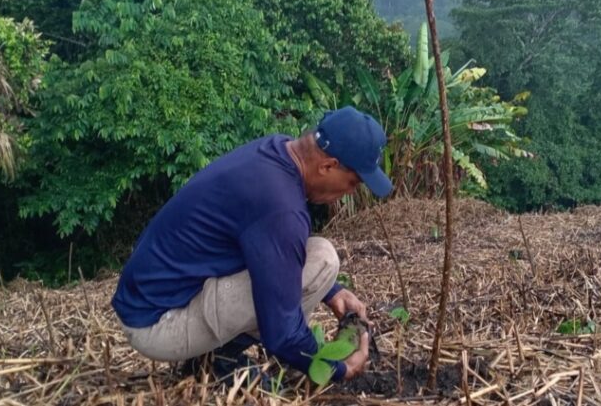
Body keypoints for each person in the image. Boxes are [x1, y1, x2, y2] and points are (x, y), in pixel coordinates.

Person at [111, 106, 392, 383]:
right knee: (322, 260)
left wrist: (332, 291)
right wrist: (337, 368)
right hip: (156, 323)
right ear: (328, 166)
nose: (350, 192)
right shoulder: (281, 209)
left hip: (150, 298)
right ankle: (221, 360)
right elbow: (282, 332)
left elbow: (265, 247)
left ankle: (215, 356)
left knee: (317, 261)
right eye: (353, 182)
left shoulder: (277, 149)